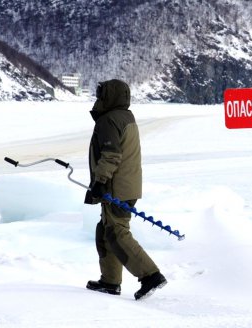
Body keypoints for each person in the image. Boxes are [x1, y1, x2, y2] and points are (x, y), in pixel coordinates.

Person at [84, 79, 166, 300]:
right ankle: (110, 281)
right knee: (106, 230)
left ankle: (150, 275)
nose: (98, 97)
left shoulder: (109, 120)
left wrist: (100, 181)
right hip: (127, 185)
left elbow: (111, 154)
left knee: (117, 232)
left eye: (101, 93)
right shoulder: (125, 116)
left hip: (115, 187)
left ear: (110, 96)